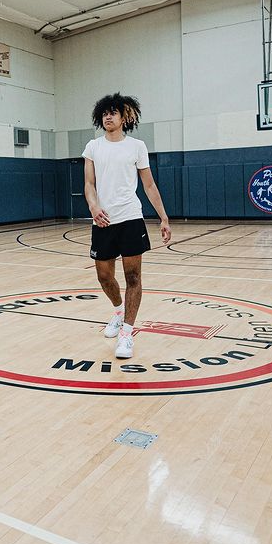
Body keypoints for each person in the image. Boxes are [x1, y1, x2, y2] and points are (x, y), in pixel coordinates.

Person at [83, 93, 171, 359]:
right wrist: (93, 207)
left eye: (113, 112)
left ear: (124, 117)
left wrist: (163, 217)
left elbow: (149, 185)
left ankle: (127, 333)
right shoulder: (93, 147)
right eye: (104, 113)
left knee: (133, 278)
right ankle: (118, 312)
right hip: (103, 221)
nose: (108, 117)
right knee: (104, 277)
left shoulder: (137, 146)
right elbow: (89, 184)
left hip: (131, 218)